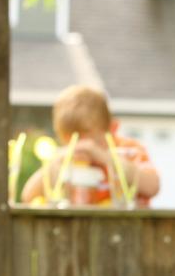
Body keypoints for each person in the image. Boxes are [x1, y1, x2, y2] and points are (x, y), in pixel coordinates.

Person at [21, 85, 160, 207]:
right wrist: (56, 164)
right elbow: (27, 196)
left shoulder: (128, 150)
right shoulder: (66, 161)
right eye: (72, 140)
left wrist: (107, 158)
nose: (81, 147)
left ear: (111, 129)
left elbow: (152, 187)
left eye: (88, 139)